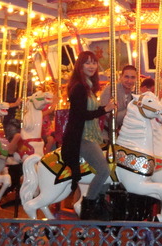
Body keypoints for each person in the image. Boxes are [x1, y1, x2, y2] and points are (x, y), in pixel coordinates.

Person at [61, 50, 115, 220]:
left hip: (91, 135)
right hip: (82, 137)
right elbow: (81, 114)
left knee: (110, 172)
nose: (92, 66)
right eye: (87, 63)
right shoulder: (79, 88)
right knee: (104, 170)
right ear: (80, 66)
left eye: (94, 62)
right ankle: (89, 205)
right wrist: (104, 109)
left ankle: (98, 204)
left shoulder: (89, 87)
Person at [99, 64, 138, 133]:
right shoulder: (110, 90)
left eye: (133, 77)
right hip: (106, 132)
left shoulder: (135, 94)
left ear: (136, 79)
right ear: (121, 77)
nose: (129, 81)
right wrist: (131, 109)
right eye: (126, 77)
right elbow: (109, 117)